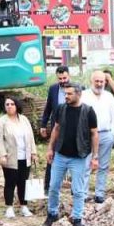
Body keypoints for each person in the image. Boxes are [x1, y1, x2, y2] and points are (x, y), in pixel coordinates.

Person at [44, 83, 98, 226]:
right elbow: (56, 128)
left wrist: (95, 157)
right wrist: (50, 148)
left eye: (69, 94)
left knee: (78, 190)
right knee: (53, 186)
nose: (66, 96)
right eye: (65, 93)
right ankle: (52, 214)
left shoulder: (88, 111)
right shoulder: (61, 109)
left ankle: (77, 218)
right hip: (60, 155)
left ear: (78, 94)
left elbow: (94, 134)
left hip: (79, 157)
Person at [80, 70, 114, 203]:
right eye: (96, 81)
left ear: (105, 82)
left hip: (106, 134)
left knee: (103, 166)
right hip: (88, 136)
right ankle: (84, 193)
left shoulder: (109, 96)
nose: (99, 84)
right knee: (86, 164)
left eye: (101, 81)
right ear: (92, 81)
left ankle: (99, 193)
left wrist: (112, 134)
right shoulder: (84, 96)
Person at [0, 95, 36, 218]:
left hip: (25, 156)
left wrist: (33, 152)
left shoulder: (24, 119)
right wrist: (2, 154)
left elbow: (31, 137)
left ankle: (24, 206)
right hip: (10, 157)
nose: (10, 106)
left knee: (23, 182)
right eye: (7, 104)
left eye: (12, 104)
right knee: (10, 182)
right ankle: (9, 207)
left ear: (17, 105)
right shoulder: (2, 121)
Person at [38, 65, 72, 193]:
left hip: (73, 130)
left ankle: (75, 187)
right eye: (60, 78)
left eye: (64, 78)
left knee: (74, 158)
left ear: (69, 76)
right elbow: (48, 109)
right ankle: (47, 187)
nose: (63, 81)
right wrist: (43, 125)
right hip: (56, 129)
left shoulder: (77, 88)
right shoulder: (53, 89)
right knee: (52, 155)